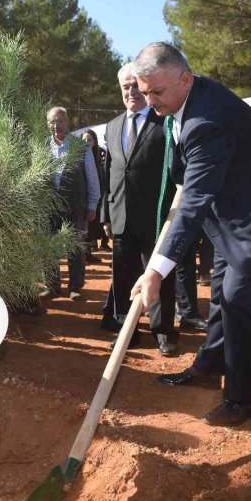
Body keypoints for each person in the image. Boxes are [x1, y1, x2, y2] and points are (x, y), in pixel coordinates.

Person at [130, 42, 251, 427]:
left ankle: (243, 399)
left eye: (157, 92)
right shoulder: (184, 101)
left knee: (236, 301)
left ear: (185, 79)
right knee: (221, 294)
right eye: (144, 92)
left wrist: (156, 271)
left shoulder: (207, 119)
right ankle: (209, 365)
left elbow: (193, 201)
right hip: (227, 218)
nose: (150, 100)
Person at [99, 63, 181, 357]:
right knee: (122, 276)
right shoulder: (112, 126)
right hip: (120, 216)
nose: (131, 92)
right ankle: (127, 332)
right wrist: (105, 214)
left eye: (136, 86)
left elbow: (174, 173)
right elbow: (108, 174)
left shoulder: (165, 124)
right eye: (126, 87)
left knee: (159, 274)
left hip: (156, 217)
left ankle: (163, 332)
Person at [41, 106, 100, 300]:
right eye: (52, 122)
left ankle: (75, 286)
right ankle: (52, 285)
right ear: (47, 124)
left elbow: (92, 178)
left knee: (75, 247)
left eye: (60, 121)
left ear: (67, 122)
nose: (56, 125)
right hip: (49, 207)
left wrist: (93, 205)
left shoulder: (81, 147)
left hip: (75, 206)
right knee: (49, 247)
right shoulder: (41, 147)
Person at [81, 129, 105, 264]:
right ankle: (84, 254)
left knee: (93, 227)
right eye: (84, 139)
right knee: (84, 228)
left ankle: (88, 252)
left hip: (97, 198)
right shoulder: (78, 158)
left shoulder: (99, 158)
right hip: (83, 200)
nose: (86, 142)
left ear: (95, 142)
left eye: (89, 140)